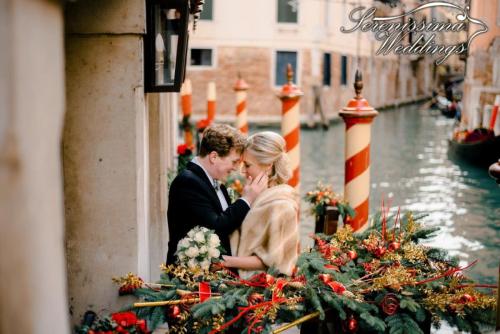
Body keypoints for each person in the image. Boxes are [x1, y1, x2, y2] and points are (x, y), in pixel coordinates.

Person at [166, 124, 268, 265]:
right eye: (234, 162)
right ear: (214, 157)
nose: (235, 168)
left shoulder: (213, 181)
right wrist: (247, 199)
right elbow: (217, 227)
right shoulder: (188, 182)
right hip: (189, 276)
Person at [224, 131, 299, 277]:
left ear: (268, 166)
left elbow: (275, 262)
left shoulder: (282, 206)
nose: (243, 171)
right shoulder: (256, 196)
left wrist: (226, 261)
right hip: (238, 279)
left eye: (247, 165)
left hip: (259, 287)